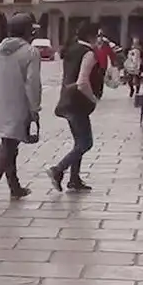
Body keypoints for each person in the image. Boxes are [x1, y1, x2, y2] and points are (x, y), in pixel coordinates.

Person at [0, 13, 42, 206]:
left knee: (10, 146)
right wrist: (34, 107)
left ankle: (14, 186)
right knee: (8, 148)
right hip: (19, 107)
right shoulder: (30, 52)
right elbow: (32, 83)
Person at [48, 21, 103, 192]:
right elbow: (82, 82)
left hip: (67, 99)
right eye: (98, 35)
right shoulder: (88, 53)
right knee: (86, 143)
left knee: (79, 142)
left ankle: (74, 179)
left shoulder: (71, 49)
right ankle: (57, 170)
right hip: (78, 103)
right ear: (91, 36)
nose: (100, 39)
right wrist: (93, 99)